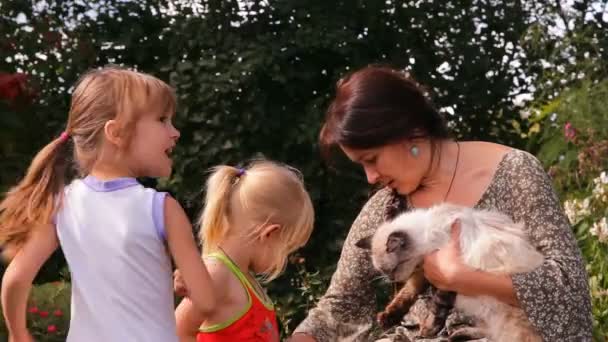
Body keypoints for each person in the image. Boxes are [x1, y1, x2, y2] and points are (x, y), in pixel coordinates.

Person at [289, 66, 593, 341]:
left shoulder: (514, 172)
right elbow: (343, 303)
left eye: (372, 160)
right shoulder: (383, 210)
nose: (370, 177)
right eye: (361, 166)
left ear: (409, 131)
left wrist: (463, 278)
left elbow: (568, 289)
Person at [0, 66, 217, 342]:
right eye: (162, 120)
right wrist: (190, 283)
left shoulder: (63, 204)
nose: (174, 132)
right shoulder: (161, 207)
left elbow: (16, 279)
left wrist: (18, 333)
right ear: (115, 133)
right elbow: (207, 302)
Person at [173, 160, 315, 342]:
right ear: (269, 234)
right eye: (287, 249)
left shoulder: (244, 279)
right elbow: (177, 332)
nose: (285, 260)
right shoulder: (217, 275)